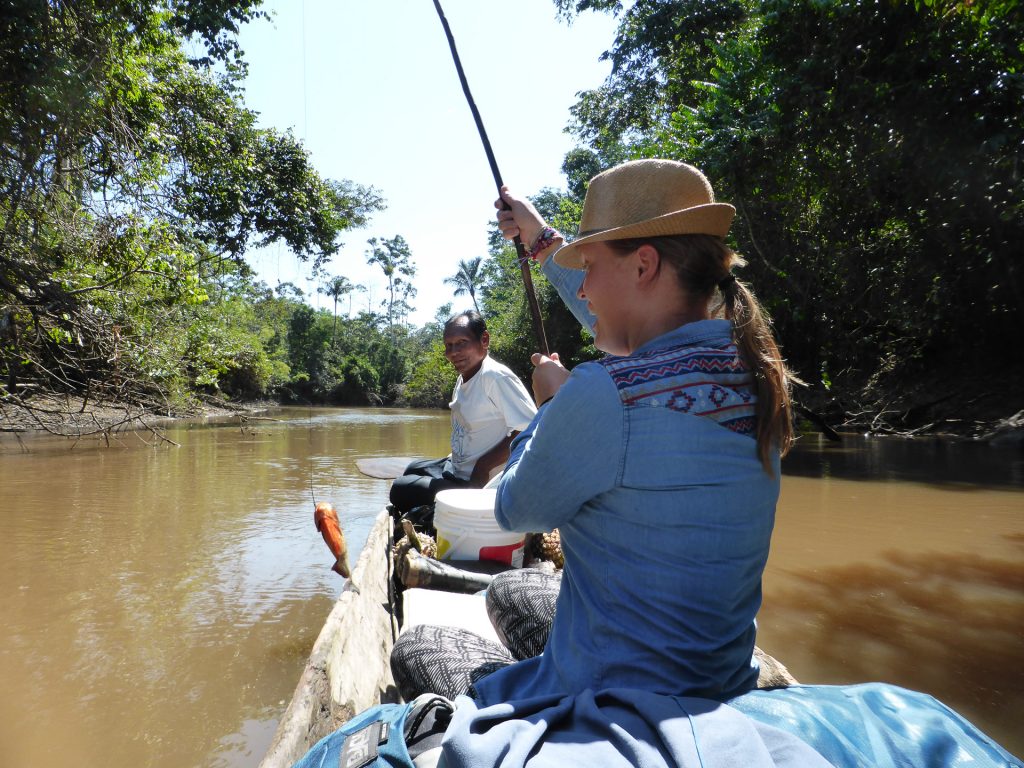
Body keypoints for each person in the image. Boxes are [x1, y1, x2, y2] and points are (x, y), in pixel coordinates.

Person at [389, 160, 1020, 768]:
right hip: (720, 674)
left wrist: (551, 406)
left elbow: (512, 509)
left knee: (423, 648)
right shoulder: (759, 371)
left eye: (590, 268)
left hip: (623, 699)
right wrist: (544, 241)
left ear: (644, 264)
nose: (581, 288)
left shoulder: (600, 393)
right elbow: (647, 337)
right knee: (514, 588)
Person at [388, 310, 536, 513]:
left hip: (480, 481)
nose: (453, 352)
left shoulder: (495, 377)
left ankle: (465, 497)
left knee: (399, 489)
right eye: (448, 345)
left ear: (484, 340)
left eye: (461, 343)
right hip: (457, 467)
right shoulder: (465, 375)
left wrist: (483, 467)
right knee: (413, 468)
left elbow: (529, 430)